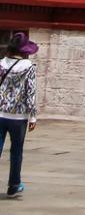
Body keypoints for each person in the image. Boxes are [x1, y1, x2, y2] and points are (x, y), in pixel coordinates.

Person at [0, 31, 38, 198]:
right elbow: (31, 92)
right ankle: (14, 185)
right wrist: (33, 116)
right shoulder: (28, 67)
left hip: (0, 114)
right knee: (16, 152)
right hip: (18, 117)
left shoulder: (1, 63)